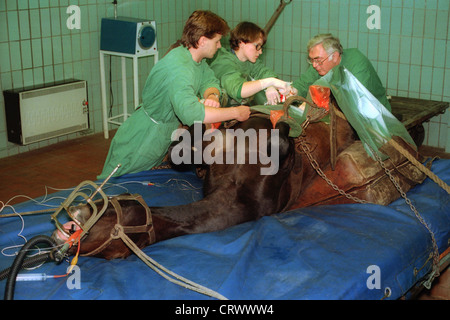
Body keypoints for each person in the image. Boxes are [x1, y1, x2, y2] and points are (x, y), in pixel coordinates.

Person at [98, 10, 250, 179]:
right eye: (217, 41)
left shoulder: (193, 58)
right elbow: (191, 114)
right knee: (112, 187)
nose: (220, 46)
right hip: (141, 140)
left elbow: (209, 80)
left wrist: (212, 96)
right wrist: (236, 112)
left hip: (159, 136)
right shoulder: (180, 68)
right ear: (202, 41)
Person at [292, 34, 391, 112]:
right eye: (312, 60)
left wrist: (314, 101)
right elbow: (303, 83)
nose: (314, 65)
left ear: (334, 56)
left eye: (318, 60)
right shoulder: (319, 65)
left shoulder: (357, 63)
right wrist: (293, 91)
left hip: (375, 116)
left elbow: (355, 99)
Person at [210, 21, 296, 107]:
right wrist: (270, 82)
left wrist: (271, 86)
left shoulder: (249, 61)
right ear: (241, 43)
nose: (260, 51)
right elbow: (239, 90)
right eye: (257, 46)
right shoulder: (224, 62)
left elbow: (264, 72)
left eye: (261, 47)